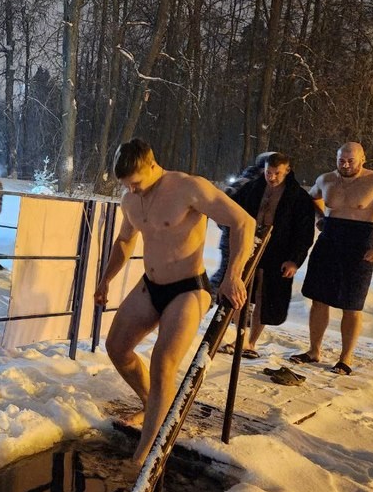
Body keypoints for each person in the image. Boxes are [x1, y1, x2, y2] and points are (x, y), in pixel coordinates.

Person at [95, 139, 255, 470]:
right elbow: (125, 240)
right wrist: (105, 279)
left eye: (136, 182)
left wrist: (233, 276)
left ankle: (145, 455)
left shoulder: (187, 187)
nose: (132, 190)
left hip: (188, 288)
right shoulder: (130, 198)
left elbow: (243, 223)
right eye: (126, 185)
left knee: (163, 363)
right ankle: (152, 403)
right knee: (117, 348)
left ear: (152, 165)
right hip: (151, 285)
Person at [290, 141, 373, 374]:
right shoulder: (326, 179)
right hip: (329, 240)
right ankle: (313, 350)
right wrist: (320, 217)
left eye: (351, 160)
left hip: (359, 244)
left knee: (351, 304)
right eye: (341, 160)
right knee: (318, 298)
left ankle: (345, 358)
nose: (346, 164)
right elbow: (310, 199)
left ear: (363, 159)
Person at [224, 152, 315, 357]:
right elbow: (231, 208)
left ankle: (251, 343)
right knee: (240, 290)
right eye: (268, 172)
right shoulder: (253, 188)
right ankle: (240, 339)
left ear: (287, 171)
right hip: (248, 246)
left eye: (276, 173)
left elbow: (304, 232)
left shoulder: (298, 197)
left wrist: (294, 260)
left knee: (264, 296)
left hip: (278, 251)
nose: (271, 177)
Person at [209, 151, 274, 297]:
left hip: (233, 234)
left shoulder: (243, 179)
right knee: (227, 274)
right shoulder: (252, 183)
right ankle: (205, 301)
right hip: (237, 235)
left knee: (233, 273)